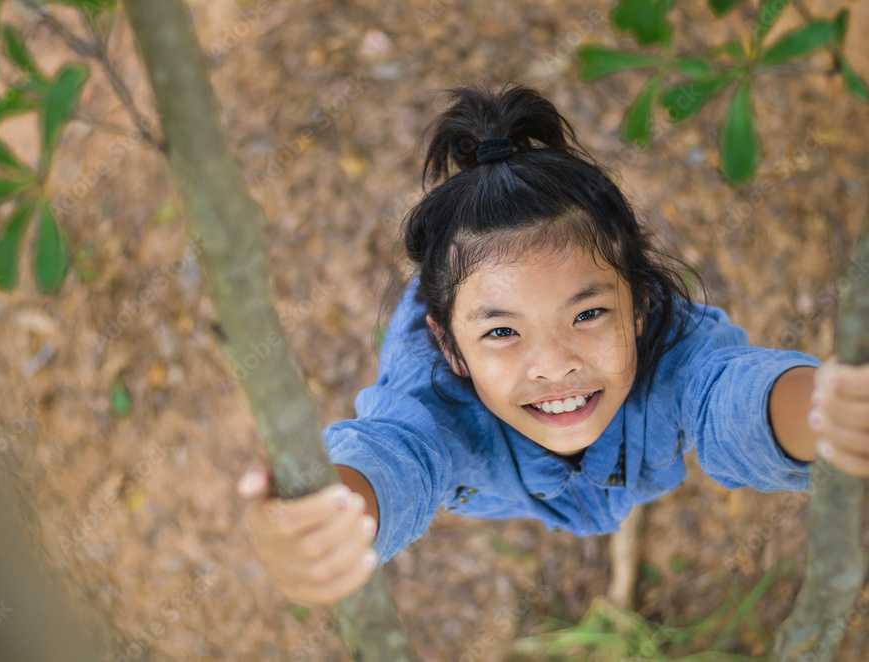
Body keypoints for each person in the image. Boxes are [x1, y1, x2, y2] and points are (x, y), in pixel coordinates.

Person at [237, 81, 869, 607]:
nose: (555, 364)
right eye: (502, 332)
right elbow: (393, 456)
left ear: (643, 304)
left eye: (588, 313)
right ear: (451, 349)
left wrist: (827, 408)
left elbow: (733, 396)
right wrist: (332, 520)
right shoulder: (434, 408)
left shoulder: (678, 356)